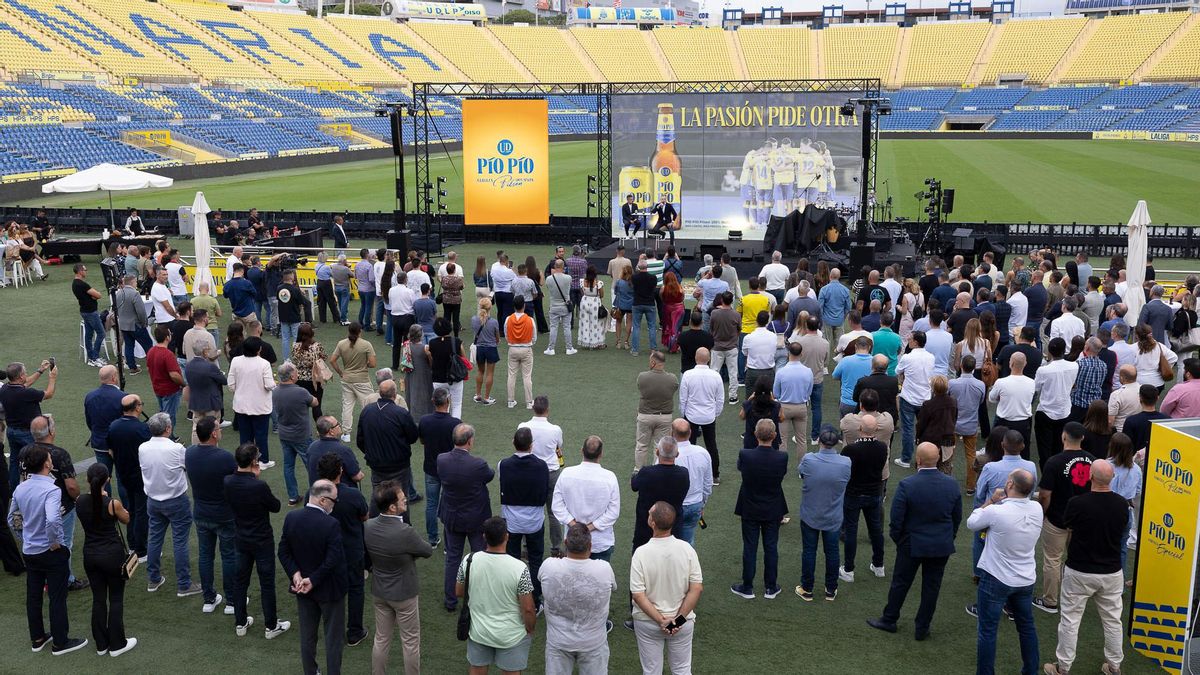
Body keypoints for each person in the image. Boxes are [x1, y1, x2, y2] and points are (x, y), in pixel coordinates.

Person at [867, 443, 962, 640]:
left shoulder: (908, 484)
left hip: (911, 543)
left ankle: (889, 619)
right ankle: (922, 627)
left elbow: (896, 519)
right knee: (932, 587)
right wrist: (948, 537)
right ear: (937, 458)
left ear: (918, 460)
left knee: (901, 582)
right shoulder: (951, 484)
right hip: (940, 544)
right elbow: (956, 517)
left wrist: (900, 540)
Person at [1043, 460, 1129, 675]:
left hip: (1079, 571)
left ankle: (1063, 667)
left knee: (1070, 620)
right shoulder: (1122, 504)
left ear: (1090, 476)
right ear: (1112, 478)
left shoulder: (1077, 503)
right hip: (1111, 572)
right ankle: (1114, 666)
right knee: (1112, 620)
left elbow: (1069, 525)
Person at [11, 444, 88, 654]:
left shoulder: (20, 488)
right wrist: (55, 542)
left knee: (34, 596)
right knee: (57, 597)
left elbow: (12, 518)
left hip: (30, 551)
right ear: (46, 464)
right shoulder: (52, 490)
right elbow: (53, 520)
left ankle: (37, 638)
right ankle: (60, 642)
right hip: (50, 552)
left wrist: (24, 538)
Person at [967, 468, 1042, 675]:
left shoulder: (996, 511)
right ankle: (1031, 671)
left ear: (1010, 485)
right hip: (1025, 579)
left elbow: (972, 522)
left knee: (987, 630)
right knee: (1026, 627)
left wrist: (991, 500)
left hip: (996, 579)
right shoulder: (1037, 508)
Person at [279, 479, 347, 675]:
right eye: (334, 500)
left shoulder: (292, 518)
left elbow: (283, 552)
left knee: (307, 636)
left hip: (302, 589)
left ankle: (310, 671)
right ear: (323, 500)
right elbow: (333, 559)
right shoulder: (331, 524)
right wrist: (313, 579)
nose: (335, 504)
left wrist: (296, 575)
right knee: (333, 639)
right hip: (329, 590)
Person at [363, 480, 431, 675]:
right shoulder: (405, 532)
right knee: (410, 642)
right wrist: (410, 556)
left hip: (380, 592)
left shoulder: (368, 526)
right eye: (402, 499)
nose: (406, 500)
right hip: (404, 595)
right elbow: (427, 551)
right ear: (392, 507)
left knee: (381, 638)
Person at [456, 516, 537, 674]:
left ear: (484, 537)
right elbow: (528, 608)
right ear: (507, 536)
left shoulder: (469, 560)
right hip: (511, 635)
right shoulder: (520, 568)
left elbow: (459, 591)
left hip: (478, 632)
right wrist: (530, 628)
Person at [224, 442, 289, 640]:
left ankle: (240, 622)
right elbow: (276, 506)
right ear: (254, 462)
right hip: (261, 540)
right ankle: (271, 625)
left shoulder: (228, 481)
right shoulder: (258, 486)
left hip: (241, 538)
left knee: (240, 582)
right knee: (267, 583)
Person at [630, 502, 703, 675]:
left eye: (650, 513)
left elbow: (638, 595)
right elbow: (696, 589)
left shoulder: (641, 553)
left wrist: (661, 621)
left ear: (652, 523)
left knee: (651, 671)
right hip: (682, 624)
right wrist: (678, 621)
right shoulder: (687, 549)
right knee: (682, 670)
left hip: (648, 622)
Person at [539, 523, 617, 674]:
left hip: (558, 641)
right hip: (593, 642)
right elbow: (613, 587)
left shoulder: (548, 566)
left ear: (565, 543)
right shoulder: (604, 569)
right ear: (590, 545)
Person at [1035, 422, 1095, 615]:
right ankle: (1076, 598)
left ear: (1063, 436)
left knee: (1053, 560)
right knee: (1078, 559)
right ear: (1082, 438)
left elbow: (1045, 494)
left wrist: (1042, 512)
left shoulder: (1054, 462)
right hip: (1082, 519)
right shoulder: (1092, 460)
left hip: (1057, 519)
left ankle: (1050, 601)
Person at [77, 463, 138, 657]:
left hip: (90, 555)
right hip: (112, 555)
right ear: (108, 480)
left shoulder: (79, 501)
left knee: (98, 598)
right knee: (116, 598)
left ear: (87, 479)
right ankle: (117, 644)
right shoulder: (112, 504)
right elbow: (126, 519)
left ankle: (101, 644)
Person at [139, 412, 200, 596]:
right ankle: (184, 584)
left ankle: (153, 579)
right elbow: (188, 467)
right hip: (176, 501)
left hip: (153, 501)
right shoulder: (177, 449)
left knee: (154, 538)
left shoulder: (143, 448)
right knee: (180, 541)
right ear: (167, 428)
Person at [312, 452, 369, 648]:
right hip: (351, 551)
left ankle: (334, 632)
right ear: (341, 471)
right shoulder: (353, 494)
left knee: (330, 591)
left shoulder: (314, 494)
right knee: (355, 589)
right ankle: (354, 631)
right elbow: (365, 516)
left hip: (326, 552)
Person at [184, 418, 238, 615]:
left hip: (201, 513)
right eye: (218, 428)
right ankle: (232, 600)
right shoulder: (225, 457)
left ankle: (209, 598)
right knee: (229, 556)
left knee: (205, 556)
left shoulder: (189, 453)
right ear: (214, 433)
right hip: (224, 514)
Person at [438, 424, 494, 612]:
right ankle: (478, 599)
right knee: (480, 559)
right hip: (476, 519)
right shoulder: (478, 464)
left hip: (453, 518)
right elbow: (489, 475)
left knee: (453, 559)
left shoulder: (442, 460)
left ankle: (450, 600)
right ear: (470, 441)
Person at [796, 426, 851, 602]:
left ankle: (807, 588)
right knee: (832, 552)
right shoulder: (846, 462)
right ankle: (830, 589)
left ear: (819, 441)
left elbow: (801, 473)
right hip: (833, 517)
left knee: (809, 551)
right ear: (836, 442)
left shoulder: (809, 459)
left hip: (810, 514)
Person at [500, 427, 551, 608]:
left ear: (513, 443)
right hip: (534, 523)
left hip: (512, 523)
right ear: (531, 445)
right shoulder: (542, 466)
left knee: (512, 561)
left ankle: (514, 596)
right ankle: (535, 600)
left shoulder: (503, 464)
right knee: (535, 560)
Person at [552, 435, 620, 564]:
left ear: (582, 451)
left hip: (574, 540)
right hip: (600, 543)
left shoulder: (567, 474)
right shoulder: (610, 477)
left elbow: (557, 506)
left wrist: (575, 526)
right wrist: (589, 528)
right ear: (601, 454)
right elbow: (613, 512)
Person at [839, 415, 889, 583]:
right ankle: (879, 565)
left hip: (854, 494)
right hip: (874, 494)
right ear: (876, 429)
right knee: (876, 531)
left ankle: (848, 570)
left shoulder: (850, 450)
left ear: (860, 429)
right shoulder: (882, 448)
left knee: (851, 531)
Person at [274, 362, 318, 505]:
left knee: (288, 466)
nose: (297, 373)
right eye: (296, 371)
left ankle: (293, 496)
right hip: (301, 435)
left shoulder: (276, 391)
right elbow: (315, 402)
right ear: (292, 376)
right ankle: (315, 495)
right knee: (311, 465)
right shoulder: (300, 392)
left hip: (284, 435)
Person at [679, 347, 725, 483]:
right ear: (709, 359)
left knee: (688, 446)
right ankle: (715, 475)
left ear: (695, 358)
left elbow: (683, 398)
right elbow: (720, 399)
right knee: (711, 445)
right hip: (709, 416)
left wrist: (684, 414)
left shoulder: (688, 375)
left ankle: (688, 473)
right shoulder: (716, 376)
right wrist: (715, 413)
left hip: (691, 415)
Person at [1034, 338, 1078, 469]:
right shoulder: (1074, 366)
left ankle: (1047, 472)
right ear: (1064, 350)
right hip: (1064, 412)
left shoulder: (1043, 370)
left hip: (1046, 412)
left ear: (1049, 351)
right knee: (1060, 446)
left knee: (1044, 448)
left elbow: (1036, 388)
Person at [330, 323, 377, 442]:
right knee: (369, 406)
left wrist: (340, 372)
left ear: (349, 331)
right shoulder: (366, 344)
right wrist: (364, 365)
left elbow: (332, 360)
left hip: (347, 380)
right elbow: (373, 364)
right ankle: (371, 431)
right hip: (362, 380)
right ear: (360, 331)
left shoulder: (341, 344)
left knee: (347, 406)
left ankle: (346, 434)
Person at [895, 331, 935, 468]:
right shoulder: (931, 357)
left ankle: (906, 459)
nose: (908, 340)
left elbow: (897, 371)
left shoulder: (907, 358)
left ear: (916, 342)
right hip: (925, 399)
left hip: (909, 398)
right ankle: (925, 459)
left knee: (908, 429)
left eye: (910, 339)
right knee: (924, 430)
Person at [635, 351, 679, 471]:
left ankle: (639, 471)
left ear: (653, 362)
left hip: (645, 416)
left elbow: (641, 388)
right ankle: (657, 470)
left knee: (641, 446)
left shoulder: (642, 377)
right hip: (664, 417)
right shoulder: (672, 379)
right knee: (659, 446)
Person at [773, 341, 814, 458]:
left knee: (782, 439)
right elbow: (809, 392)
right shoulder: (808, 371)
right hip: (801, 406)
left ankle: (781, 465)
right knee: (802, 440)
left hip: (784, 407)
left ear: (788, 353)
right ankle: (802, 466)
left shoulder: (781, 372)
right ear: (801, 354)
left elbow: (775, 393)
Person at [991, 352, 1036, 456]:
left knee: (999, 452)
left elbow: (992, 398)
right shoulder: (1032, 382)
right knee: (1023, 453)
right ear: (1025, 364)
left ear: (1010, 364)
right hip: (1024, 423)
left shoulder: (1001, 382)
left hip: (1004, 422)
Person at [84, 365, 124, 475]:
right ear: (114, 377)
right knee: (122, 476)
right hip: (119, 444)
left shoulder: (90, 396)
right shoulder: (123, 397)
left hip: (99, 442)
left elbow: (89, 421)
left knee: (102, 477)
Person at [305, 417, 364, 488]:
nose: (340, 425)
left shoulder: (311, 447)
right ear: (331, 431)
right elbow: (357, 477)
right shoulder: (343, 450)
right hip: (340, 492)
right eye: (337, 424)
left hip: (318, 491)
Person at [147, 325, 184, 430]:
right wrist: (183, 383)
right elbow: (174, 375)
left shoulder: (151, 351)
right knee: (168, 418)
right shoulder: (168, 354)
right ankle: (168, 436)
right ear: (167, 337)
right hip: (170, 390)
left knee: (163, 415)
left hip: (158, 388)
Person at [114, 274, 153, 374]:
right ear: (132, 282)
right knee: (148, 344)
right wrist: (144, 323)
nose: (136, 284)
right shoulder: (135, 294)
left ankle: (132, 367)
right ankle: (152, 366)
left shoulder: (119, 293)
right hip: (135, 325)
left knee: (129, 345)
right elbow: (141, 312)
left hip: (124, 325)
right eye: (135, 281)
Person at [504, 298, 537, 410]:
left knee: (511, 375)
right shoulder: (530, 320)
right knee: (527, 376)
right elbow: (534, 337)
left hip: (513, 349)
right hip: (526, 349)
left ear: (514, 306)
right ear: (524, 305)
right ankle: (529, 402)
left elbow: (506, 334)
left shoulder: (508, 319)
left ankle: (510, 401)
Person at [72, 263, 107, 366]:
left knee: (89, 335)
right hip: (91, 312)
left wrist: (93, 296)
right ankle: (95, 357)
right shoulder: (83, 285)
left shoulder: (74, 284)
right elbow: (98, 295)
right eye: (85, 270)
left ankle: (91, 358)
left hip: (84, 311)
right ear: (80, 271)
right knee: (101, 333)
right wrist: (94, 296)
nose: (86, 272)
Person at [1121, 383, 1169, 454]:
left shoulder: (1131, 421)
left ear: (1140, 398)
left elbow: (1125, 447)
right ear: (1157, 398)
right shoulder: (1166, 420)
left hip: (1135, 459)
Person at [471, 297, 501, 405]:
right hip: (491, 348)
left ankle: (478, 395)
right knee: (490, 373)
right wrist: (497, 341)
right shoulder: (494, 322)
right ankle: (487, 397)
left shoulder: (474, 319)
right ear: (490, 307)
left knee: (480, 371)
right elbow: (497, 337)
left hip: (479, 348)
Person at [818, 268, 853, 357]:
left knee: (826, 342)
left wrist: (822, 318)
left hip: (826, 320)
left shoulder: (824, 289)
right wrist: (843, 317)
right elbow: (848, 307)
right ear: (839, 276)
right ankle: (839, 361)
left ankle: (825, 363)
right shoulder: (845, 290)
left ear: (830, 276)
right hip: (839, 320)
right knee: (840, 343)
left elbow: (820, 307)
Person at [629, 260, 658, 357]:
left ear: (638, 267)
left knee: (636, 327)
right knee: (652, 327)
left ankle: (635, 350)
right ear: (647, 267)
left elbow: (632, 286)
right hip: (650, 303)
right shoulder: (653, 278)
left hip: (637, 303)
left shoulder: (634, 277)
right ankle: (653, 349)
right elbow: (653, 288)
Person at [545, 259, 574, 354]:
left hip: (554, 306)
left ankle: (551, 348)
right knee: (567, 327)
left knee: (553, 327)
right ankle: (569, 348)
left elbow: (549, 288)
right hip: (565, 306)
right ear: (563, 267)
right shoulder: (568, 278)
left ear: (554, 266)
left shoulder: (549, 279)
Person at [676, 310, 714, 374]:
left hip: (686, 370)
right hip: (704, 371)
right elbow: (710, 349)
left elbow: (680, 348)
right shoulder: (708, 337)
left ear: (690, 321)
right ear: (702, 322)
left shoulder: (683, 336)